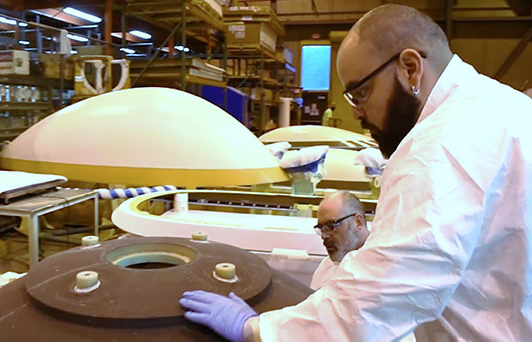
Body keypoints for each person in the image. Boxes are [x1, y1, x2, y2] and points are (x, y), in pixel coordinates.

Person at [180, 4, 532, 341]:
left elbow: (386, 291)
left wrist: (257, 329)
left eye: (360, 93)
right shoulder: (504, 106)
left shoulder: (439, 144)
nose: (358, 113)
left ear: (410, 68)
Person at [310, 190, 368, 290]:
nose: (324, 236)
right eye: (321, 228)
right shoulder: (326, 267)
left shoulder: (379, 267)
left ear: (358, 222)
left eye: (331, 226)